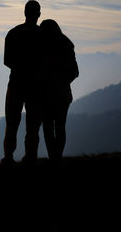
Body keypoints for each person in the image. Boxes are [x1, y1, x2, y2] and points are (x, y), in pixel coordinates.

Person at [1, 0, 45, 164]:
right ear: (39, 14)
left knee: (11, 124)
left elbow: (7, 61)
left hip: (16, 84)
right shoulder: (43, 36)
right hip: (36, 86)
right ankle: (30, 157)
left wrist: (21, 67)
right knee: (33, 125)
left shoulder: (13, 33)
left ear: (25, 13)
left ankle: (8, 157)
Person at [39, 19, 79, 163]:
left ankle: (52, 157)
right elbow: (75, 72)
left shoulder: (41, 46)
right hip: (63, 94)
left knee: (48, 127)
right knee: (60, 127)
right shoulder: (67, 44)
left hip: (45, 95)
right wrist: (63, 82)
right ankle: (58, 157)